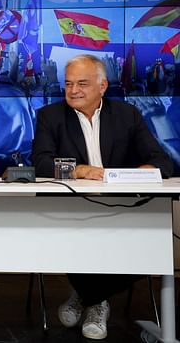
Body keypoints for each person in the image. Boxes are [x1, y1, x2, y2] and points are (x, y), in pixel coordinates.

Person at [32, 54, 172, 340]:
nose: (73, 91)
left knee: (149, 246)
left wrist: (145, 171)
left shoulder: (126, 115)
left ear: (102, 86)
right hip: (70, 208)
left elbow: (162, 160)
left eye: (82, 83)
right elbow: (41, 164)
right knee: (78, 236)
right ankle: (98, 302)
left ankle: (85, 296)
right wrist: (79, 170)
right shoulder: (50, 116)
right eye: (69, 84)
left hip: (121, 207)